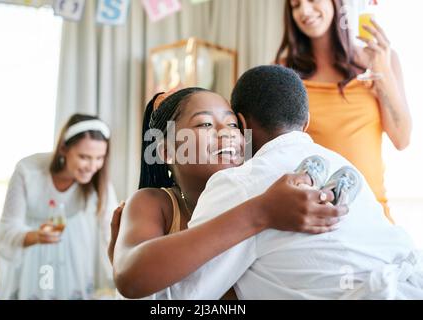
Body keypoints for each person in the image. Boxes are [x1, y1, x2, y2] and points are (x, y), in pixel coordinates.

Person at [157, 65, 423, 299]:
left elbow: (177, 298)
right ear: (306, 122)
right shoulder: (343, 164)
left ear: (240, 124)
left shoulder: (236, 185)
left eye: (228, 125)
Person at [109, 87, 347, 299]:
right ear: (167, 151)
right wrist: (262, 212)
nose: (227, 132)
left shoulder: (258, 191)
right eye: (204, 124)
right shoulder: (153, 202)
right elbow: (131, 277)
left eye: (233, 124)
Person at [274, 0, 412, 222]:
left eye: (311, 0)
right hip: (317, 218)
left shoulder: (382, 60)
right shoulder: (282, 72)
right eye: (295, 5)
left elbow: (402, 138)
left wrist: (383, 70)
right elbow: (273, 149)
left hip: (374, 215)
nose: (304, 11)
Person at [0, 114, 118, 299]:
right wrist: (37, 236)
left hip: (73, 259)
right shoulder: (28, 170)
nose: (92, 166)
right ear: (63, 149)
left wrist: (123, 272)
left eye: (99, 158)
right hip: (31, 257)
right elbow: (6, 229)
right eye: (84, 157)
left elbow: (110, 231)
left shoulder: (99, 182)